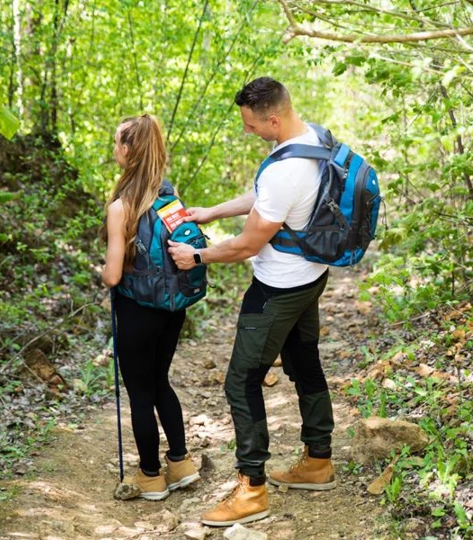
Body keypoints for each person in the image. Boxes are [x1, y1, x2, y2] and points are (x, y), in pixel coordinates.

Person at [168, 77, 336, 526]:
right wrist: (211, 212)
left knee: (241, 381)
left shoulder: (286, 170)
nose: (248, 131)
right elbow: (267, 201)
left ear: (274, 118)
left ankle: (252, 489)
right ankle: (319, 460)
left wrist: (196, 254)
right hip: (312, 277)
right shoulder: (313, 138)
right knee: (304, 362)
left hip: (278, 289)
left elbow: (245, 246)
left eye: (250, 124)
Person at [100, 114, 200, 501]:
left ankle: (150, 476)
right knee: (161, 382)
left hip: (138, 309)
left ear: (128, 150)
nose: (114, 150)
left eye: (116, 144)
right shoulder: (170, 199)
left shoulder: (121, 206)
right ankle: (181, 463)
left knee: (140, 392)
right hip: (173, 308)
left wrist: (105, 271)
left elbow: (112, 275)